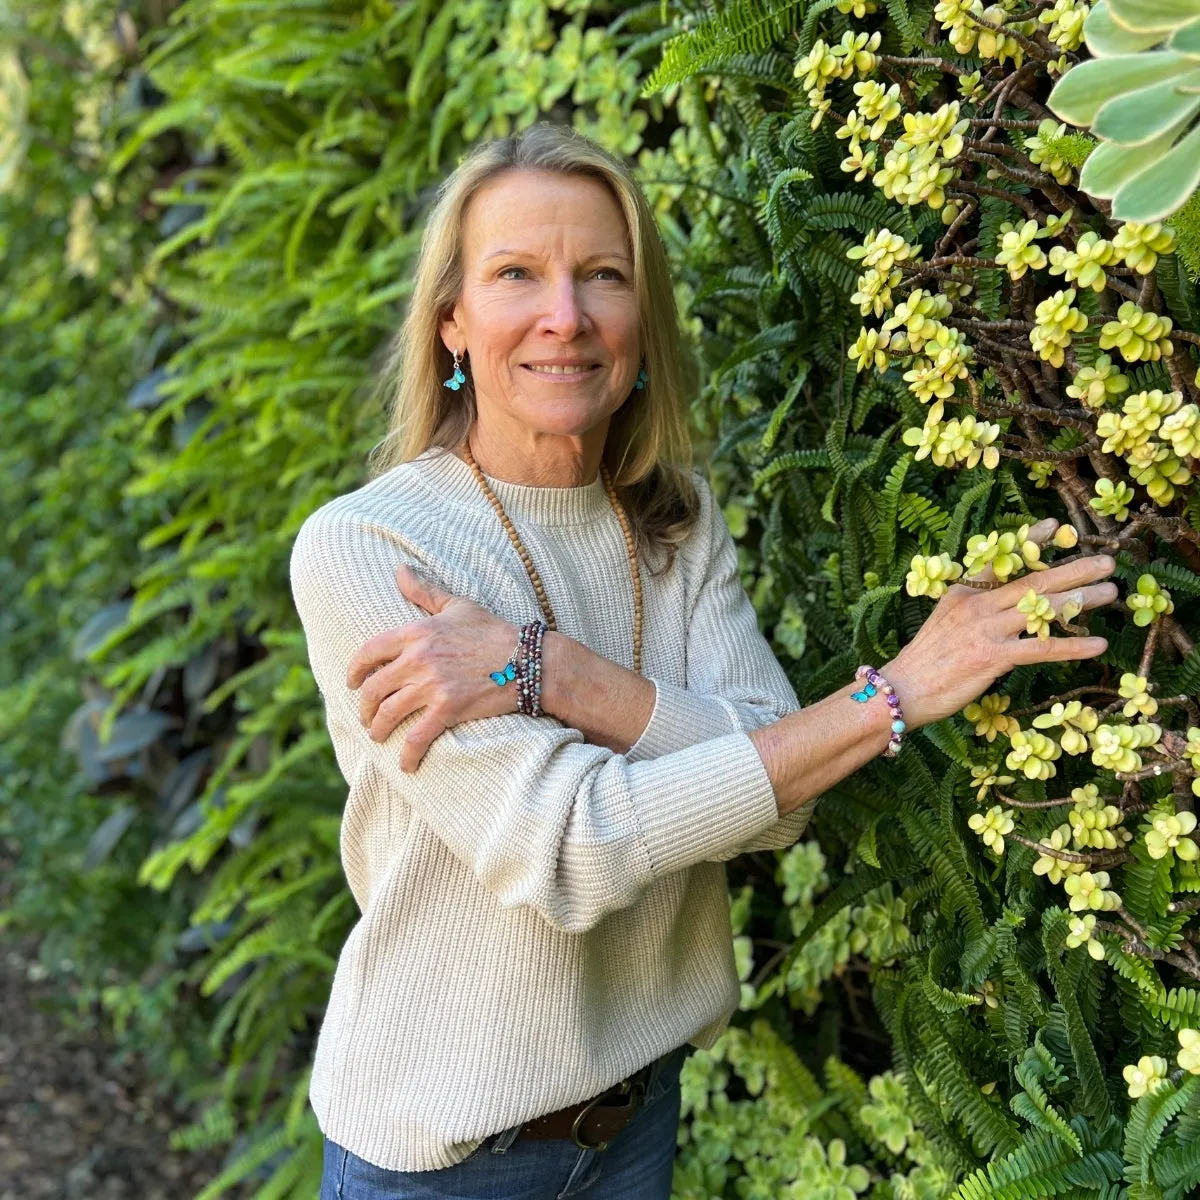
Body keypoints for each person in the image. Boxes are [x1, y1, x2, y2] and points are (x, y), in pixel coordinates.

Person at [289, 121, 1118, 1200]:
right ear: (451, 321)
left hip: (634, 1120)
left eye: (603, 276)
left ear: (641, 321)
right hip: (443, 1156)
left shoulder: (673, 522)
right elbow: (571, 850)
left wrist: (548, 673)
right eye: (516, 275)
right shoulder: (371, 551)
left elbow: (776, 808)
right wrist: (893, 695)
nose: (565, 317)